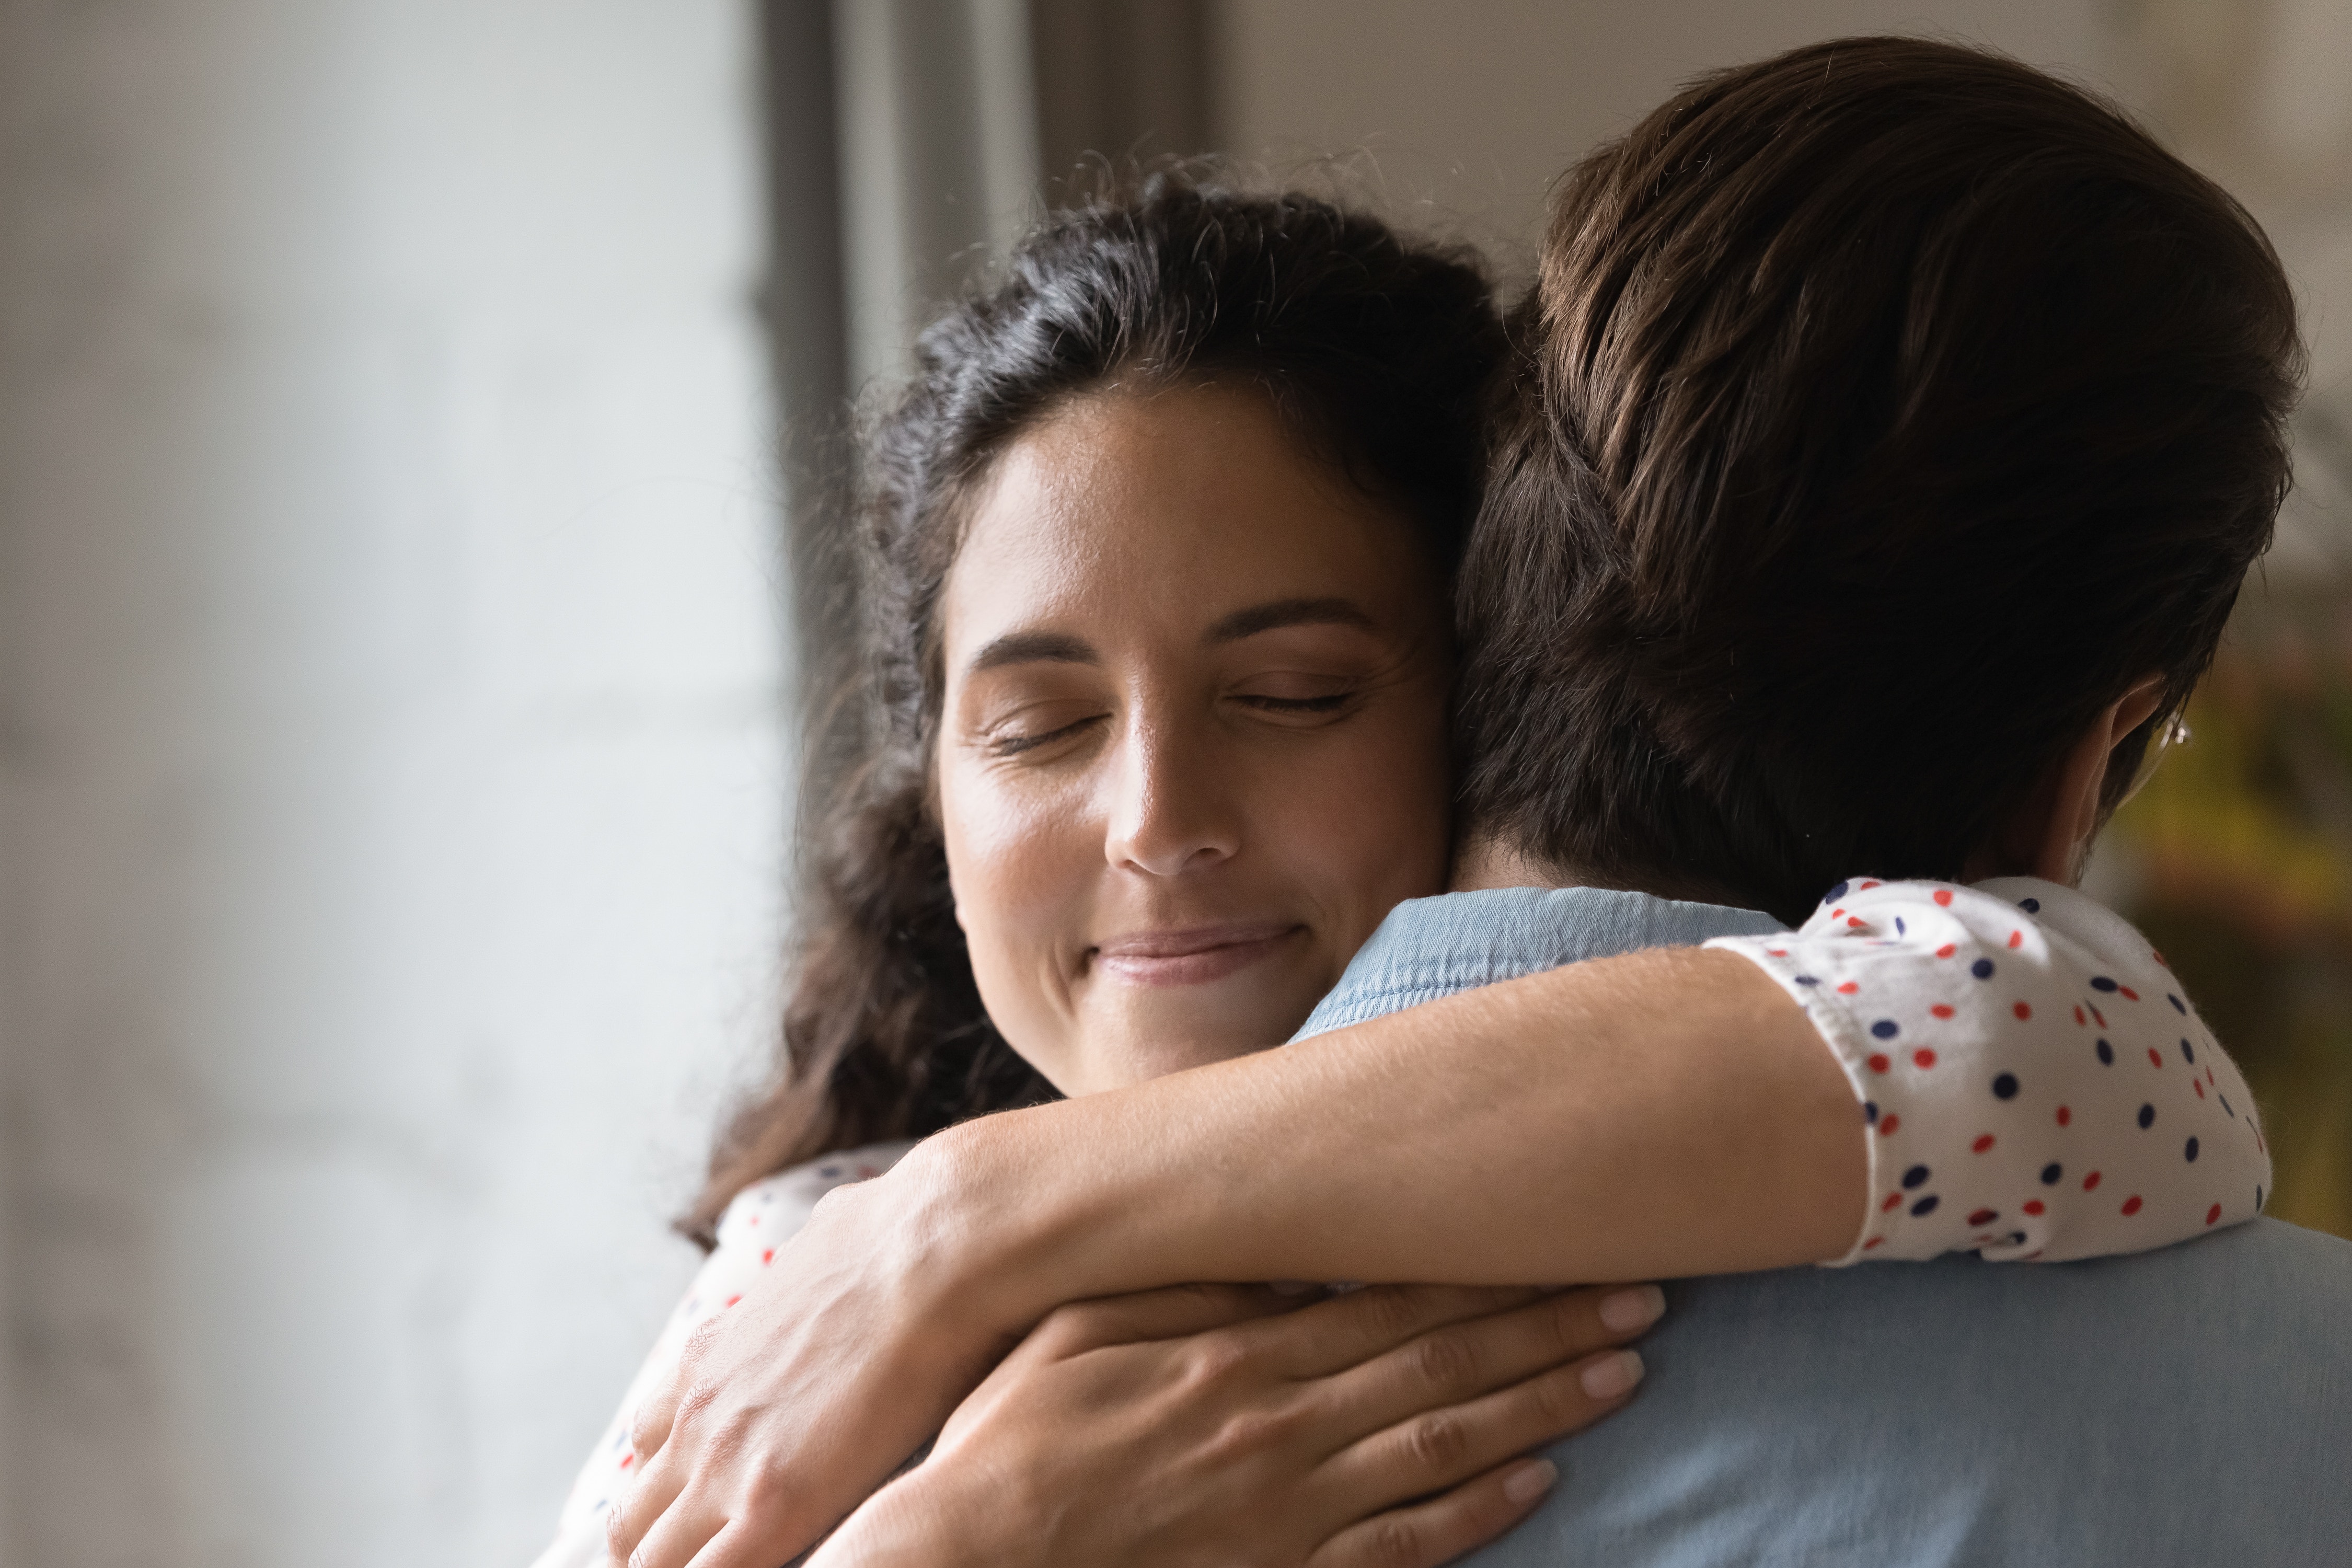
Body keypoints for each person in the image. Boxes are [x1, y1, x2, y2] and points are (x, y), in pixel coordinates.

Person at [575, 39, 2350, 1559]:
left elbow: (2013, 1028)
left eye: (1293, 694)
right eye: (1035, 729)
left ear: (1494, 671)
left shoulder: (1933, 1058)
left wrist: (975, 1222)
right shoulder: (790, 1308)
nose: (1154, 819)